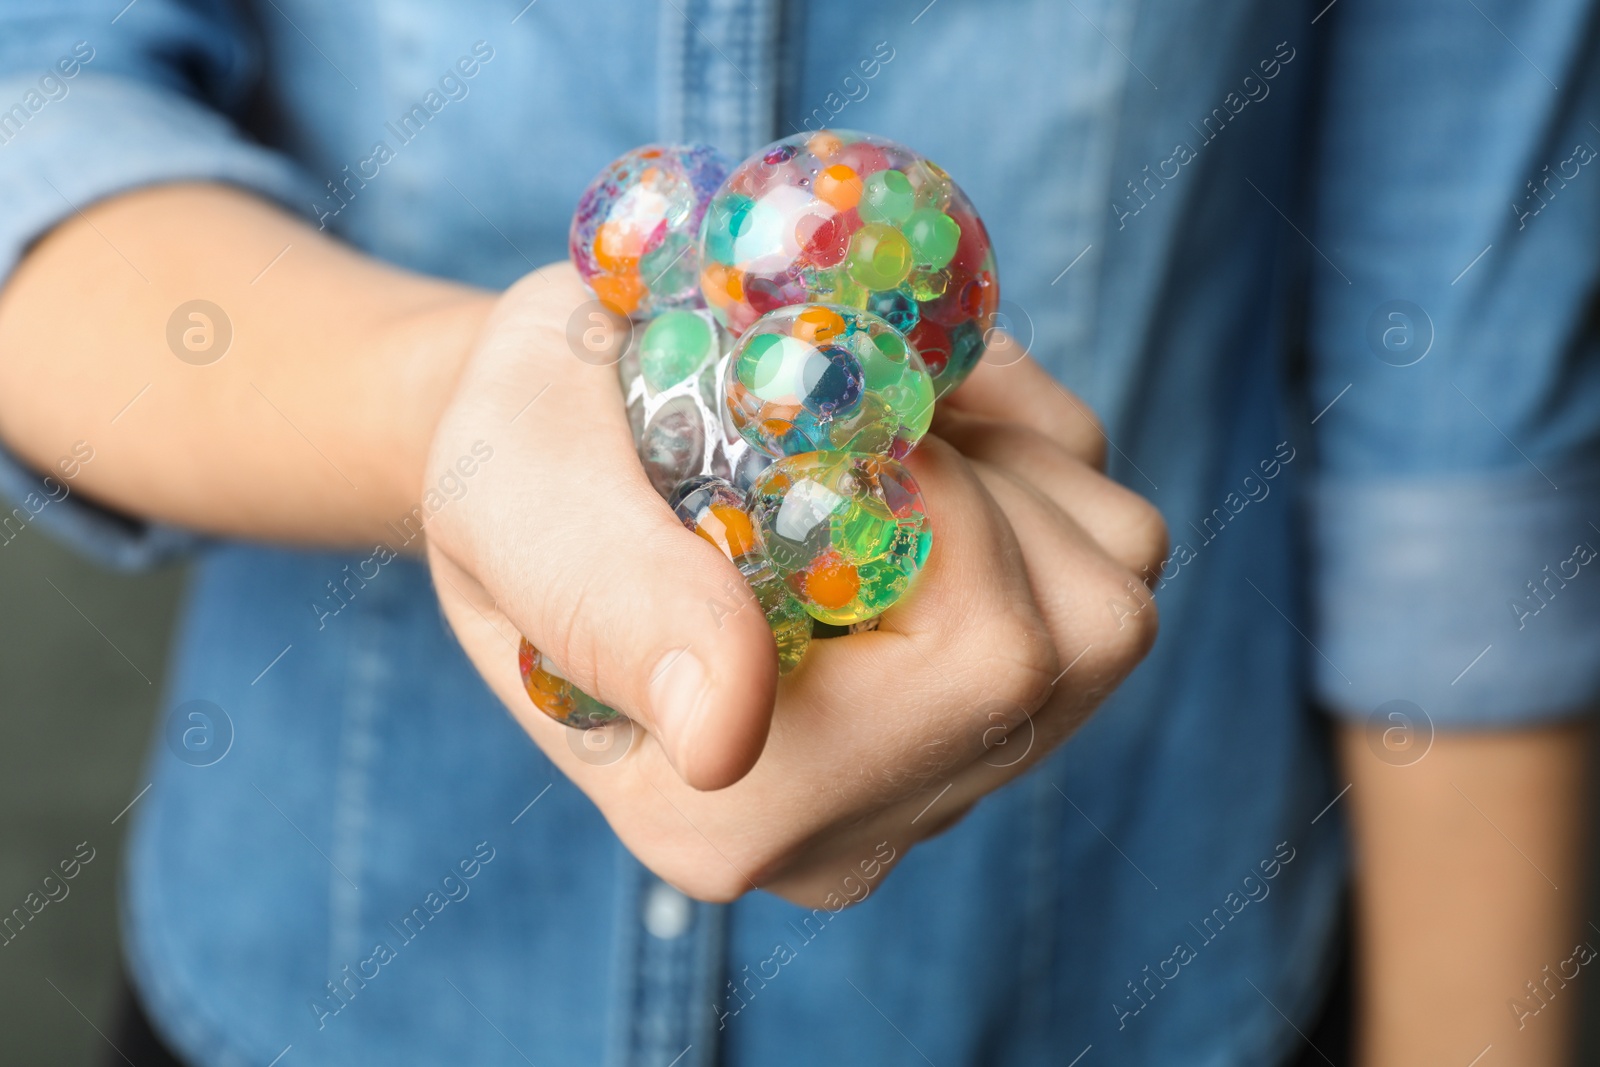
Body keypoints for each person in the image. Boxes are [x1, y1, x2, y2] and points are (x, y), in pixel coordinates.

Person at [0, 1, 1595, 1064]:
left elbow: (1466, 418)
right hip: (323, 980)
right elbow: (42, 101)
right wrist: (441, 416)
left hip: (1130, 980)